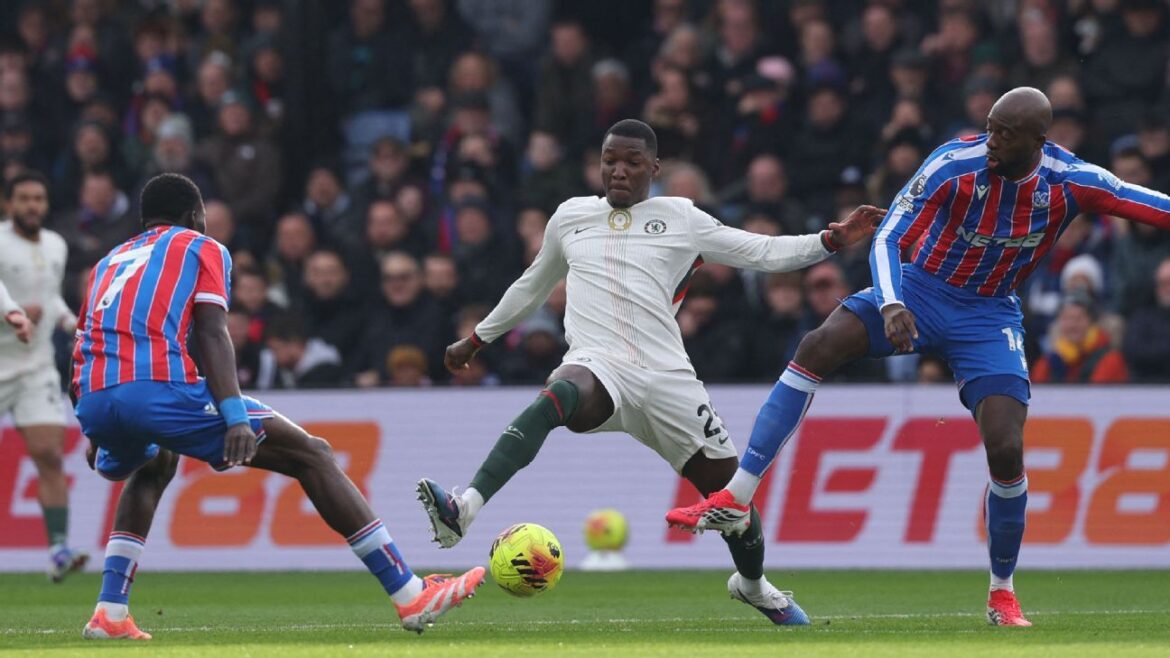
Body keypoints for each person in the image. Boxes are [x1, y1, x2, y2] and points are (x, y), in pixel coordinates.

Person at [668, 87, 1170, 627]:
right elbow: (888, 236)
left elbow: (1152, 205)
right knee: (817, 345)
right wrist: (890, 302)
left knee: (1006, 448)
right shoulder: (954, 163)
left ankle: (1002, 594)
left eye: (1005, 133)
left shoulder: (1071, 180)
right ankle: (737, 495)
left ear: (1038, 141)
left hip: (988, 316)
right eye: (990, 126)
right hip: (919, 289)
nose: (992, 140)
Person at [416, 120, 882, 626]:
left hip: (667, 380)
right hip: (597, 366)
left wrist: (830, 240)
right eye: (609, 160)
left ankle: (752, 586)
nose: (618, 171)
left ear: (654, 169)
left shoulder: (681, 217)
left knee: (731, 501)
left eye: (632, 162)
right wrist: (477, 338)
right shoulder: (570, 217)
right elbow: (532, 285)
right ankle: (464, 508)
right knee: (558, 393)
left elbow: (760, 252)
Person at [72, 174, 482, 640]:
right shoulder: (201, 246)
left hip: (94, 395)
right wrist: (234, 416)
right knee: (313, 454)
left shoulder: (107, 262)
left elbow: (81, 343)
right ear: (195, 215)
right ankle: (410, 593)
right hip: (154, 388)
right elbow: (212, 332)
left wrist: (93, 425)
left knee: (155, 463)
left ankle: (110, 612)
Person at [0, 171, 88, 581]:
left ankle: (58, 549)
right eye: (24, 198)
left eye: (38, 198)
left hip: (35, 367)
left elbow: (50, 297)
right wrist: (14, 312)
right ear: (9, 204)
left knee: (50, 454)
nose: (32, 205)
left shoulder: (56, 244)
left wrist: (71, 322)